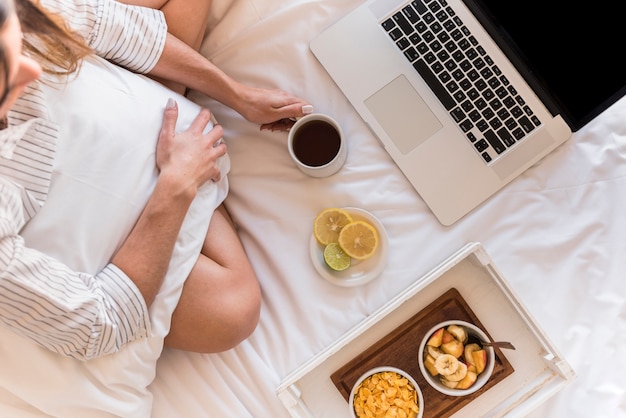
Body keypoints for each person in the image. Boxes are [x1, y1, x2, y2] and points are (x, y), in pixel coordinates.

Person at [0, 0, 311, 360]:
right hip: (122, 217)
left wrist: (237, 95)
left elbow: (107, 25)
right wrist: (175, 187)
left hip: (132, 124)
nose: (32, 72)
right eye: (8, 77)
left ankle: (172, 123)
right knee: (233, 311)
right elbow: (97, 325)